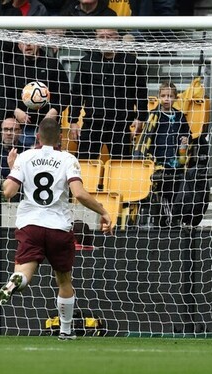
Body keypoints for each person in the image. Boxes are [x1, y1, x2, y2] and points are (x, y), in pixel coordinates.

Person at [0, 118, 113, 341]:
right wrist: (103, 211)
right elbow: (79, 194)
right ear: (60, 137)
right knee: (64, 280)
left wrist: (13, 169)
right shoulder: (68, 159)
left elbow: (8, 192)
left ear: (37, 137)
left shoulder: (25, 157)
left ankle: (15, 281)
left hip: (30, 225)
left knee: (24, 272)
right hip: (58, 227)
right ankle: (66, 331)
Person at [69, 28, 147, 160]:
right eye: (101, 37)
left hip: (120, 124)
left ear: (117, 37)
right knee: (83, 163)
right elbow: (77, 93)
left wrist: (141, 117)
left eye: (109, 36)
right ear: (96, 38)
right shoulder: (87, 62)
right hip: (92, 123)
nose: (105, 41)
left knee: (121, 166)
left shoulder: (131, 62)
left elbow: (140, 92)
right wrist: (73, 120)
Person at [134, 81, 190, 226]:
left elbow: (187, 133)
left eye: (170, 96)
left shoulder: (180, 116)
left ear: (176, 98)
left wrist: (186, 139)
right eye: (163, 96)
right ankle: (163, 221)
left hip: (176, 162)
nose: (166, 99)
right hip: (159, 162)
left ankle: (174, 218)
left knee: (175, 191)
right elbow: (147, 137)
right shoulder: (154, 115)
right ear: (159, 97)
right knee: (161, 193)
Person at [6, 31, 72, 148]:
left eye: (32, 41)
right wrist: (15, 110)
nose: (28, 44)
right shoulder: (12, 66)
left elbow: (65, 93)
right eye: (24, 42)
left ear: (40, 43)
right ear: (19, 46)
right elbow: (4, 94)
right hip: (22, 127)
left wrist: (54, 110)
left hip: (49, 127)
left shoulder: (53, 64)